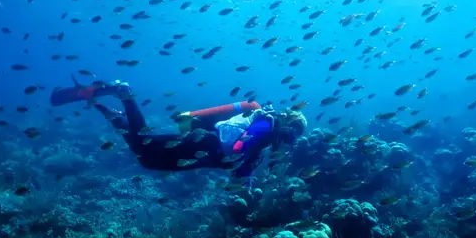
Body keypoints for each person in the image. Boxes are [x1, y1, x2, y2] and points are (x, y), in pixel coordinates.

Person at [50, 77, 307, 181]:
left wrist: (246, 173)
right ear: (290, 126)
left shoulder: (267, 138)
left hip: (203, 153)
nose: (291, 141)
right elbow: (241, 145)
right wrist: (245, 160)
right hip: (203, 144)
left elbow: (241, 166)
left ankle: (111, 113)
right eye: (294, 135)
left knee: (148, 161)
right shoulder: (267, 124)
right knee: (144, 142)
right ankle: (126, 96)